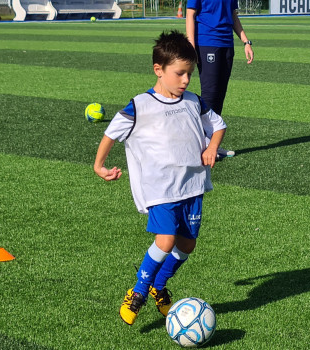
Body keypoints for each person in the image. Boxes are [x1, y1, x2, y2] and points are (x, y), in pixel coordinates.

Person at [93, 30, 227, 326]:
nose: (186, 81)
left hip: (192, 186)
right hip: (160, 189)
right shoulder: (140, 105)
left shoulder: (194, 102)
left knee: (187, 245)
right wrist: (99, 165)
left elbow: (217, 126)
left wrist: (212, 146)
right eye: (180, 74)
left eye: (190, 74)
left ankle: (158, 285)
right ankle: (138, 292)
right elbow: (110, 134)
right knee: (165, 241)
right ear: (159, 70)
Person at [186, 0, 253, 157]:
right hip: (207, 42)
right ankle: (203, 146)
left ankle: (213, 145)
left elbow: (233, 15)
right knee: (210, 94)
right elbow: (190, 13)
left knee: (220, 94)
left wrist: (246, 42)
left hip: (227, 44)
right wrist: (191, 45)